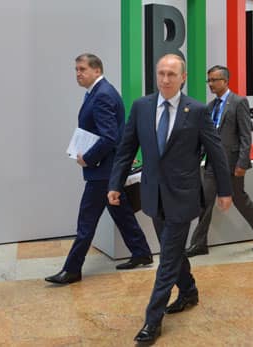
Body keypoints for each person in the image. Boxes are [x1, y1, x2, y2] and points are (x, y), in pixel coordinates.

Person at [108, 54, 232, 344]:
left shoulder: (197, 110)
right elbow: (126, 149)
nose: (165, 79)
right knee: (172, 251)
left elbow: (216, 154)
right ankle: (189, 290)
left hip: (183, 196)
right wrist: (115, 183)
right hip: (153, 195)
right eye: (161, 73)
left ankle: (153, 320)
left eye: (171, 74)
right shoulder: (141, 107)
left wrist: (225, 191)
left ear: (183, 77)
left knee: (166, 258)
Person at [45, 53, 153, 285]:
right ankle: (141, 252)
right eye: (76, 69)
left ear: (96, 70)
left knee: (86, 220)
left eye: (82, 69)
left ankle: (72, 269)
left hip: (103, 170)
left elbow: (109, 137)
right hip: (108, 168)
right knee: (121, 212)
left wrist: (88, 158)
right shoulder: (98, 92)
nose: (78, 74)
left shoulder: (102, 95)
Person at [186, 65, 253, 257]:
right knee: (205, 201)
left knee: (239, 199)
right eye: (208, 80)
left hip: (232, 163)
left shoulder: (238, 102)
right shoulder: (210, 107)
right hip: (212, 164)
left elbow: (245, 135)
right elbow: (206, 137)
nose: (210, 84)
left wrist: (243, 163)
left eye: (213, 80)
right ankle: (199, 244)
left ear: (225, 81)